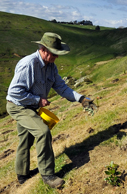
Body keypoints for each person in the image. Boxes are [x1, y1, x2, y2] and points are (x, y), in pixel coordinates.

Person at [6, 32, 96, 188]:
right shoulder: (28, 64)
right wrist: (38, 100)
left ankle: (22, 175)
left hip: (32, 106)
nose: (57, 57)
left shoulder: (51, 67)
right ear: (43, 49)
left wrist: (81, 98)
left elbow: (61, 87)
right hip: (18, 105)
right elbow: (14, 92)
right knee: (43, 132)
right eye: (55, 53)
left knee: (26, 140)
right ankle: (48, 175)